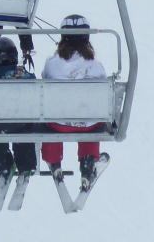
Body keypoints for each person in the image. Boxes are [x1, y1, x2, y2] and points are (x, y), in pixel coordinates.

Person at [39, 15, 109, 186]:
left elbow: (44, 82)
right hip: (87, 124)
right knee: (90, 117)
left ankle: (53, 161)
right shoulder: (95, 65)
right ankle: (87, 165)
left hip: (57, 124)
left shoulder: (51, 63)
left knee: (51, 118)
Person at [0, 35, 38, 180]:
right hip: (21, 123)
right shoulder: (25, 76)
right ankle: (26, 164)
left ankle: (2, 165)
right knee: (26, 126)